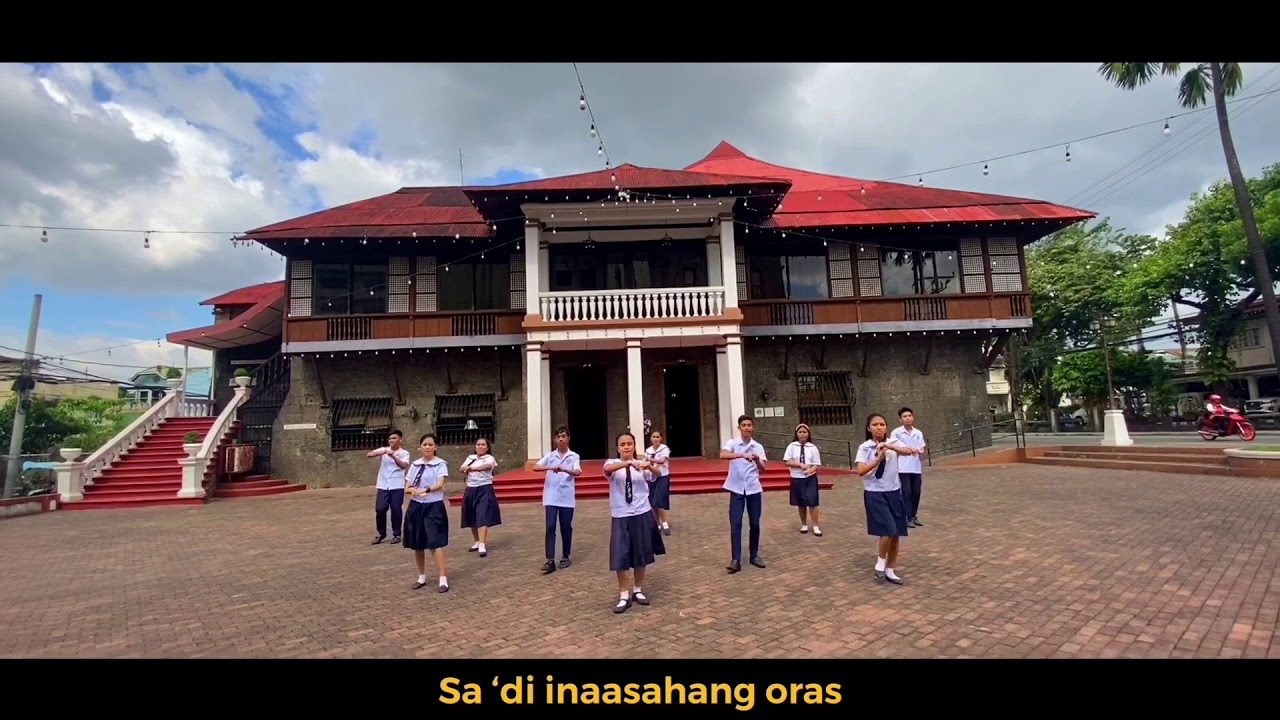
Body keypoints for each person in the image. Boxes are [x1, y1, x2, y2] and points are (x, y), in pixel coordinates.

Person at [603, 432, 667, 613]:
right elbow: (608, 470)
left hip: (641, 512)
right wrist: (628, 463)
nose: (626, 447)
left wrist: (649, 465)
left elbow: (657, 474)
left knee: (641, 552)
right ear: (617, 448)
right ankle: (624, 594)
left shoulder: (641, 464)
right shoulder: (612, 464)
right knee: (620, 554)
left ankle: (638, 590)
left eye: (629, 443)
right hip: (621, 514)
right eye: (623, 444)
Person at [856, 413, 918, 586]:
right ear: (869, 428)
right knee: (888, 529)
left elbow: (908, 451)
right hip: (875, 492)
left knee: (896, 532)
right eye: (875, 424)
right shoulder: (865, 447)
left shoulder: (894, 443)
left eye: (882, 424)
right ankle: (881, 561)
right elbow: (860, 470)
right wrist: (877, 459)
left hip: (893, 491)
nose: (879, 427)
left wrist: (891, 447)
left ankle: (891, 568)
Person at [403, 433, 450, 592]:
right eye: (425, 445)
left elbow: (440, 483)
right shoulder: (415, 465)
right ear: (420, 447)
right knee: (417, 543)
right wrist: (413, 491)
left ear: (435, 447)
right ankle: (421, 576)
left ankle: (442, 578)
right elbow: (407, 487)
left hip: (433, 505)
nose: (427, 447)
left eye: (431, 445)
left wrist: (426, 489)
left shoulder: (440, 464)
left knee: (435, 543)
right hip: (417, 506)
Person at [720, 414, 767, 574]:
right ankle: (735, 559)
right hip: (737, 489)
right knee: (736, 523)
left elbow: (763, 469)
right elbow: (722, 454)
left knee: (754, 523)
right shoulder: (733, 443)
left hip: (754, 489)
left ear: (753, 428)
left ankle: (754, 555)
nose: (747, 428)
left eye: (749, 425)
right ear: (739, 427)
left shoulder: (758, 447)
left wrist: (756, 459)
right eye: (744, 425)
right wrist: (741, 455)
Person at [533, 426, 581, 574]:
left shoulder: (574, 456)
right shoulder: (550, 456)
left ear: (568, 438)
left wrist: (565, 469)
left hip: (566, 497)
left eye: (563, 436)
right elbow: (535, 467)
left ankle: (566, 556)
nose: (561, 439)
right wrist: (550, 466)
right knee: (550, 527)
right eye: (558, 437)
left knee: (566, 527)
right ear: (555, 439)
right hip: (551, 496)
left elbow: (578, 471)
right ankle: (550, 560)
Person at [366, 430, 411, 545]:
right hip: (383, 485)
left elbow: (403, 466)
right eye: (390, 438)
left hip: (397, 485)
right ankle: (381, 533)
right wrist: (381, 453)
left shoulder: (404, 453)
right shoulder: (384, 450)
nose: (391, 440)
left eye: (394, 438)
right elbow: (369, 454)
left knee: (396, 509)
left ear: (400, 440)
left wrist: (393, 457)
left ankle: (397, 534)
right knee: (380, 509)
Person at [459, 437, 502, 557]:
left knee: (482, 514)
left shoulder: (490, 458)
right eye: (478, 445)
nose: (480, 447)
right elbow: (462, 468)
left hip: (484, 488)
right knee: (471, 514)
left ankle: (482, 544)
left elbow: (488, 466)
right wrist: (467, 468)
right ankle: (477, 541)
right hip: (471, 488)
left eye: (483, 445)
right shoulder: (470, 458)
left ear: (487, 447)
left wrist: (472, 468)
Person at [784, 423, 823, 536]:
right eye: (800, 432)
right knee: (801, 502)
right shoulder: (792, 446)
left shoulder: (812, 447)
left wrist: (810, 470)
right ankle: (804, 524)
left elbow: (816, 464)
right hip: (796, 477)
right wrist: (800, 465)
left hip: (810, 478)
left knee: (813, 502)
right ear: (796, 434)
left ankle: (815, 525)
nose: (802, 434)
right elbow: (787, 461)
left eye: (804, 432)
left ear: (808, 434)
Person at [891, 407, 928, 528]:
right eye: (904, 416)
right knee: (906, 492)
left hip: (915, 467)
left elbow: (922, 447)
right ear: (900, 419)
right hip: (903, 467)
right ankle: (907, 517)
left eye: (909, 416)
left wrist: (921, 452)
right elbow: (893, 448)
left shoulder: (918, 433)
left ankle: (913, 515)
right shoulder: (896, 433)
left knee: (916, 491)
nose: (907, 418)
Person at [645, 430, 672, 535]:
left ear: (661, 438)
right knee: (652, 502)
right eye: (653, 437)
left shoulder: (665, 449)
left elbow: (662, 461)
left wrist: (650, 460)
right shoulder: (648, 450)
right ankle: (657, 524)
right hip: (651, 477)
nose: (655, 439)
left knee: (658, 500)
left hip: (662, 476)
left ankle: (665, 523)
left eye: (657, 437)